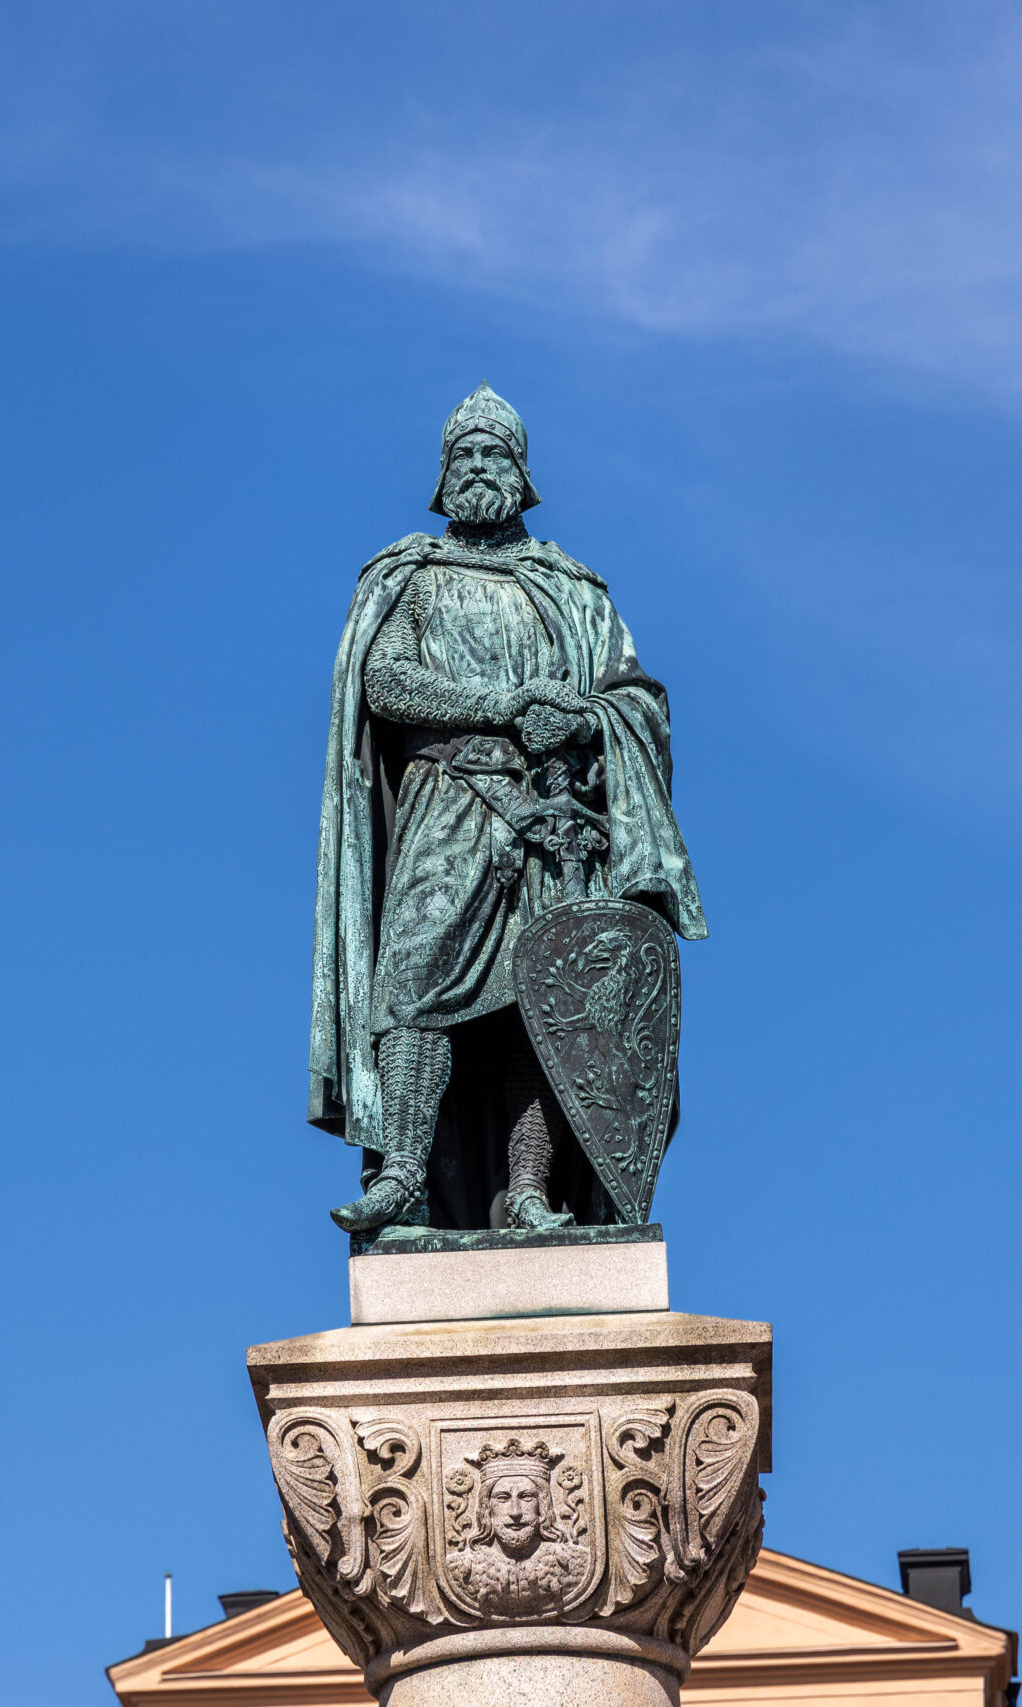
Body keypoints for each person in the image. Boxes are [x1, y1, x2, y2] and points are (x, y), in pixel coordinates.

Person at [310, 385, 705, 1234]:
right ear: (442, 477)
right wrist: (506, 704)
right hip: (446, 804)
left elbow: (639, 703)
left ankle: (530, 1191)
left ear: (522, 476)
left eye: (495, 455)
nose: (479, 468)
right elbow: (386, 681)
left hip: (554, 819)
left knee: (545, 1002)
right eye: (464, 456)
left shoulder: (571, 590)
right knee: (410, 985)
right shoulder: (411, 576)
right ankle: (405, 1173)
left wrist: (584, 717)